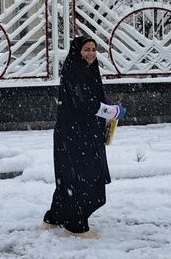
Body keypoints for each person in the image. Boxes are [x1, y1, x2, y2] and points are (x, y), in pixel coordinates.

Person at [42, 36, 126, 239]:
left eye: (93, 50)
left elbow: (93, 95)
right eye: (86, 49)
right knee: (84, 177)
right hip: (75, 135)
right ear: (77, 51)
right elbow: (84, 102)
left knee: (69, 177)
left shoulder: (87, 68)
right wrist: (111, 111)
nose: (90, 54)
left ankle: (55, 217)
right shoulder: (74, 70)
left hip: (80, 133)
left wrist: (106, 102)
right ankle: (75, 225)